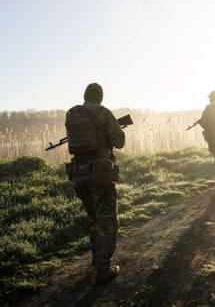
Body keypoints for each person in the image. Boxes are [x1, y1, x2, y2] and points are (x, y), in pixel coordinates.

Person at [65, 83, 125, 284]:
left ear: (85, 95)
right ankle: (103, 269)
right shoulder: (103, 113)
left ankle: (95, 258)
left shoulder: (72, 113)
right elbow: (119, 141)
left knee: (93, 217)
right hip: (99, 174)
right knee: (109, 221)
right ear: (100, 96)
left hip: (78, 174)